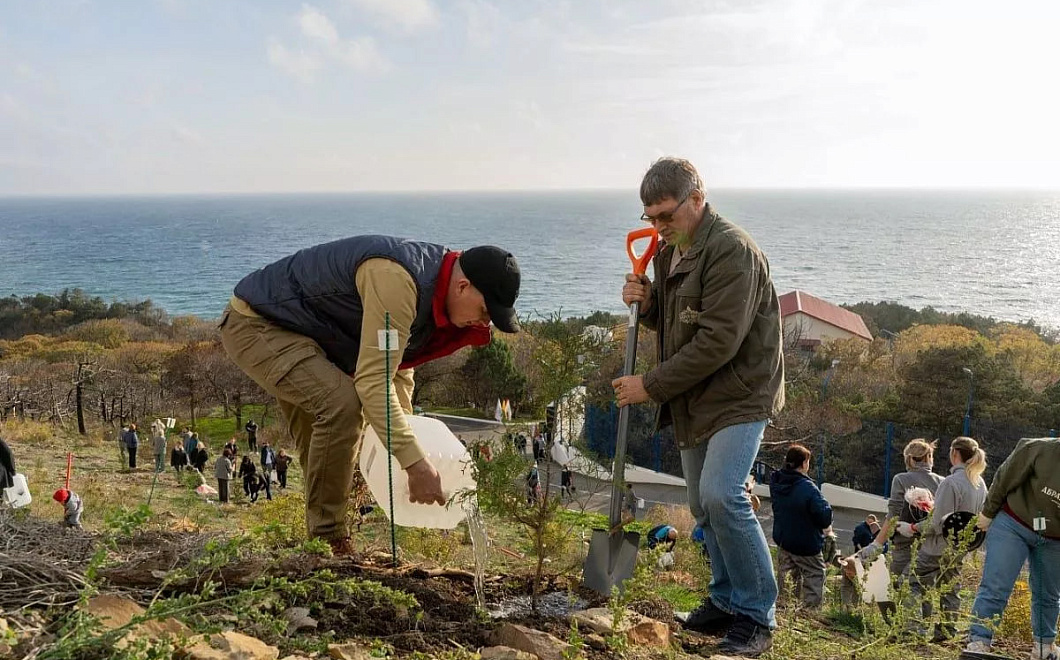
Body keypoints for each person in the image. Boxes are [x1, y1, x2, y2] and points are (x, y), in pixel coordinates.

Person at [220, 235, 521, 555]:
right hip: (258, 325)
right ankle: (328, 542)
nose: (485, 322)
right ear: (463, 287)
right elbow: (374, 382)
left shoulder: (433, 290)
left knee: (326, 443)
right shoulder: (399, 281)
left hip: (312, 336)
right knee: (341, 406)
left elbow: (399, 366)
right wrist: (415, 464)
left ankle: (321, 544)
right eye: (486, 310)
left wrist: (406, 443)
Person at [614, 157, 785, 656]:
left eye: (666, 215)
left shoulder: (732, 251)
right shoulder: (671, 252)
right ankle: (726, 599)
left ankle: (757, 617)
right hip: (694, 394)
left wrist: (650, 384)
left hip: (739, 391)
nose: (659, 228)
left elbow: (717, 342)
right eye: (651, 219)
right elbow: (673, 323)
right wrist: (646, 305)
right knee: (700, 505)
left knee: (722, 494)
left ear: (696, 199)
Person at [965, 437, 1060, 660]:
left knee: (1049, 595)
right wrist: (987, 515)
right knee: (996, 585)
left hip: (1054, 537)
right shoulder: (1038, 449)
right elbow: (1003, 479)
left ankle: (1044, 647)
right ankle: (979, 641)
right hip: (1014, 523)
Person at [903, 437, 987, 642]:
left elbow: (937, 522)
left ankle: (914, 628)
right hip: (959, 548)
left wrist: (913, 527)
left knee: (910, 580)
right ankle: (946, 633)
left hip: (936, 547)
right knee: (950, 589)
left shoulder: (951, 483)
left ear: (955, 453)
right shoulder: (979, 482)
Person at [858, 439, 943, 585]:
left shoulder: (901, 480)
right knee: (923, 592)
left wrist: (877, 544)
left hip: (905, 546)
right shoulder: (942, 482)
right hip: (932, 548)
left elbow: (893, 515)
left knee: (899, 591)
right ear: (929, 458)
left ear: (908, 459)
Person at [769, 444, 833, 610]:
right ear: (804, 463)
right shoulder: (808, 488)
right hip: (806, 544)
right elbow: (824, 517)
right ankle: (810, 613)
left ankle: (784, 610)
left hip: (784, 540)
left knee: (787, 579)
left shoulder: (776, 481)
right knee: (815, 575)